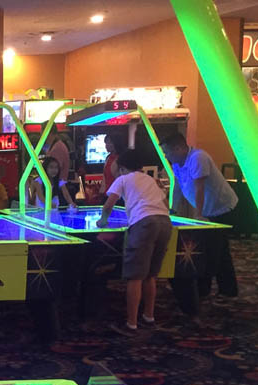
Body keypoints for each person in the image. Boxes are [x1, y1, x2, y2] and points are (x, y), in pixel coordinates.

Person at [97, 148, 172, 332]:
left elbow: (108, 205)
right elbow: (164, 203)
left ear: (122, 167)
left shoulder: (122, 179)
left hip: (144, 223)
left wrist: (102, 221)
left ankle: (132, 322)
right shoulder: (150, 179)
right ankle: (149, 315)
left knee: (135, 276)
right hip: (165, 223)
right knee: (151, 274)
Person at [162, 132, 239, 300]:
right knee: (220, 251)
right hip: (208, 210)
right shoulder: (177, 163)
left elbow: (200, 188)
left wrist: (198, 215)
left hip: (222, 208)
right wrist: (173, 210)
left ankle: (205, 291)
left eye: (167, 152)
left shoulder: (198, 158)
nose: (166, 156)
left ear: (178, 148)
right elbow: (178, 187)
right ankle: (228, 290)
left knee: (212, 251)